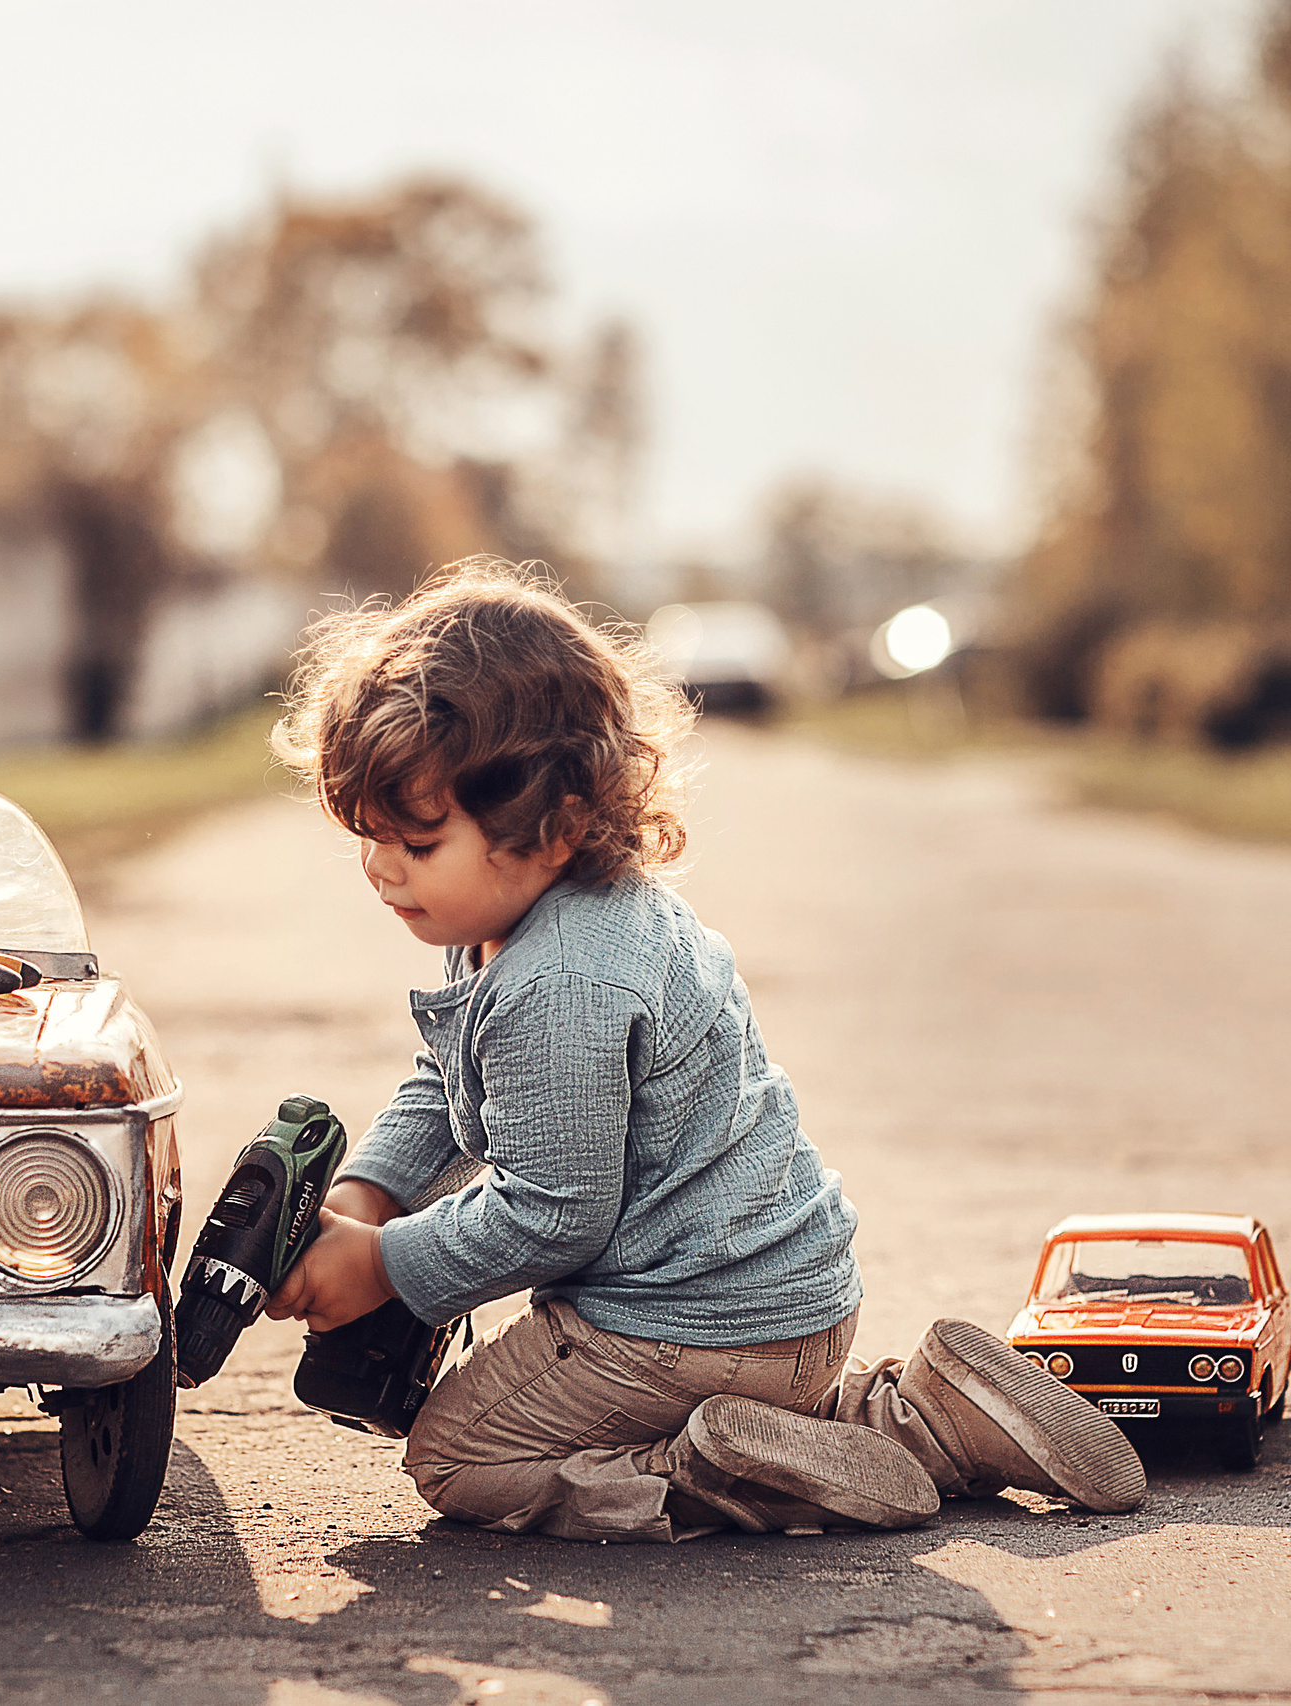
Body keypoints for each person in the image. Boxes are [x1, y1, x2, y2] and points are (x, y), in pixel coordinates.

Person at [265, 558, 1144, 1542]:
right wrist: (369, 1190)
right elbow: (447, 1075)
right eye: (366, 835)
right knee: (688, 1392)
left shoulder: (559, 981)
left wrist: (385, 1264)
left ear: (551, 827)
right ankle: (923, 1417)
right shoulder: (541, 917)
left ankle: (713, 1470)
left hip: (675, 1332)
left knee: (456, 1456)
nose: (381, 868)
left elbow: (554, 1216)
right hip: (794, 1313)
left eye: (418, 844)